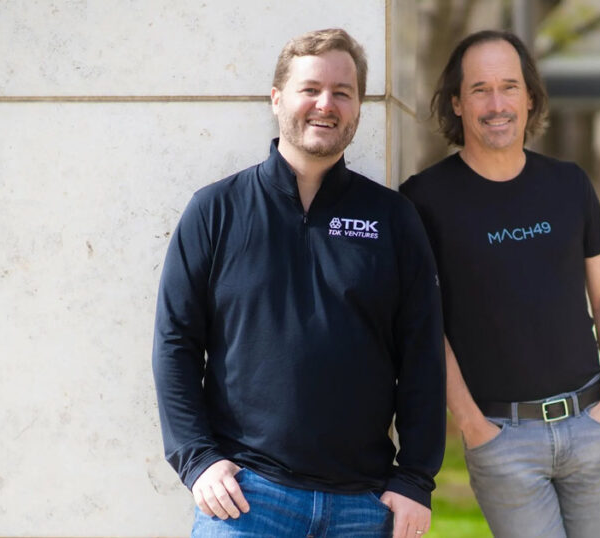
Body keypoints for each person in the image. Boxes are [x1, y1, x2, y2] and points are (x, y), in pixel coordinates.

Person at [152, 28, 445, 538]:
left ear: (357, 108)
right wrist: (197, 459)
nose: (325, 104)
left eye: (343, 92)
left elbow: (422, 355)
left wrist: (416, 478)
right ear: (277, 98)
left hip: (363, 504)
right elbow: (175, 342)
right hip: (247, 500)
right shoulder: (216, 210)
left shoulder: (393, 219)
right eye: (310, 89)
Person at [400, 30, 600, 538]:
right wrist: (471, 424)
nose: (497, 103)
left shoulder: (569, 183)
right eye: (480, 89)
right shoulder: (424, 200)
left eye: (509, 86)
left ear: (530, 98)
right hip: (502, 437)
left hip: (591, 420)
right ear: (456, 103)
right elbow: (420, 323)